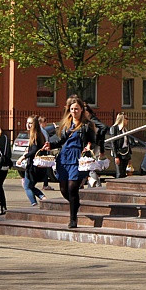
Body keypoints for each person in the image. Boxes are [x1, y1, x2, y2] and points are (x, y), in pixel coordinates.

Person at [49, 96, 96, 228]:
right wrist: (50, 145)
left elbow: (93, 140)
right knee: (64, 189)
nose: (74, 111)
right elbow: (59, 140)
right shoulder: (66, 125)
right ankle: (75, 204)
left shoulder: (87, 125)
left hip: (77, 158)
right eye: (72, 109)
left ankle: (73, 219)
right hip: (64, 158)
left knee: (72, 188)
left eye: (76, 109)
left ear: (81, 109)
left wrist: (89, 146)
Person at [19, 115, 48, 207]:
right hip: (38, 166)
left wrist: (24, 156)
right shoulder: (39, 134)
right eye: (27, 123)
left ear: (34, 124)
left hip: (33, 167)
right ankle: (43, 198)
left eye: (30, 123)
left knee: (27, 187)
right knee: (30, 186)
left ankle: (34, 204)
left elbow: (34, 150)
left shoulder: (35, 135)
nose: (28, 125)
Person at [109, 113, 132, 179]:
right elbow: (113, 143)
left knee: (124, 172)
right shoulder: (114, 128)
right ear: (122, 119)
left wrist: (130, 156)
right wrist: (116, 156)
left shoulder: (125, 129)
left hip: (125, 152)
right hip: (118, 153)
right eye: (126, 119)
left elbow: (127, 143)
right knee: (119, 173)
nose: (127, 120)